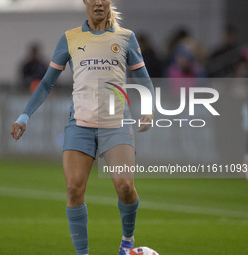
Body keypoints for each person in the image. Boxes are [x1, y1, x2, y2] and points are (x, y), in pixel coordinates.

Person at [10, 1, 154, 254]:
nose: (98, 2)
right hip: (80, 125)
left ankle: (127, 241)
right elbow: (45, 84)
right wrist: (24, 116)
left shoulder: (125, 37)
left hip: (116, 124)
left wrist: (149, 108)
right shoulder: (70, 38)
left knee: (125, 187)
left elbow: (143, 79)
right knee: (74, 188)